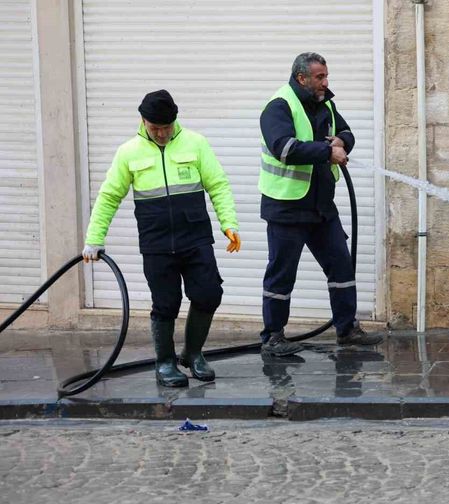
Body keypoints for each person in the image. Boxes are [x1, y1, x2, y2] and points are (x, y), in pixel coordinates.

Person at [82, 90, 241, 387]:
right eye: (155, 128)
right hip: (156, 243)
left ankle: (193, 354)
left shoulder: (196, 143)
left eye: (167, 127)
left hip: (195, 238)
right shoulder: (128, 152)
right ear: (143, 121)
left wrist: (228, 224)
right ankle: (165, 362)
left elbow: (218, 185)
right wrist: (94, 238)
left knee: (209, 294)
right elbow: (108, 197)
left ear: (175, 120)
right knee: (166, 303)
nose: (162, 134)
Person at [258, 52, 382, 357]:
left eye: (326, 76)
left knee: (341, 264)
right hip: (287, 207)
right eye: (320, 77)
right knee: (282, 273)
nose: (326, 82)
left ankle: (347, 329)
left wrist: (341, 142)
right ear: (302, 78)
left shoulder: (325, 102)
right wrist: (327, 153)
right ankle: (273, 336)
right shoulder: (279, 107)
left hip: (321, 207)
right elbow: (284, 148)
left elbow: (346, 132)